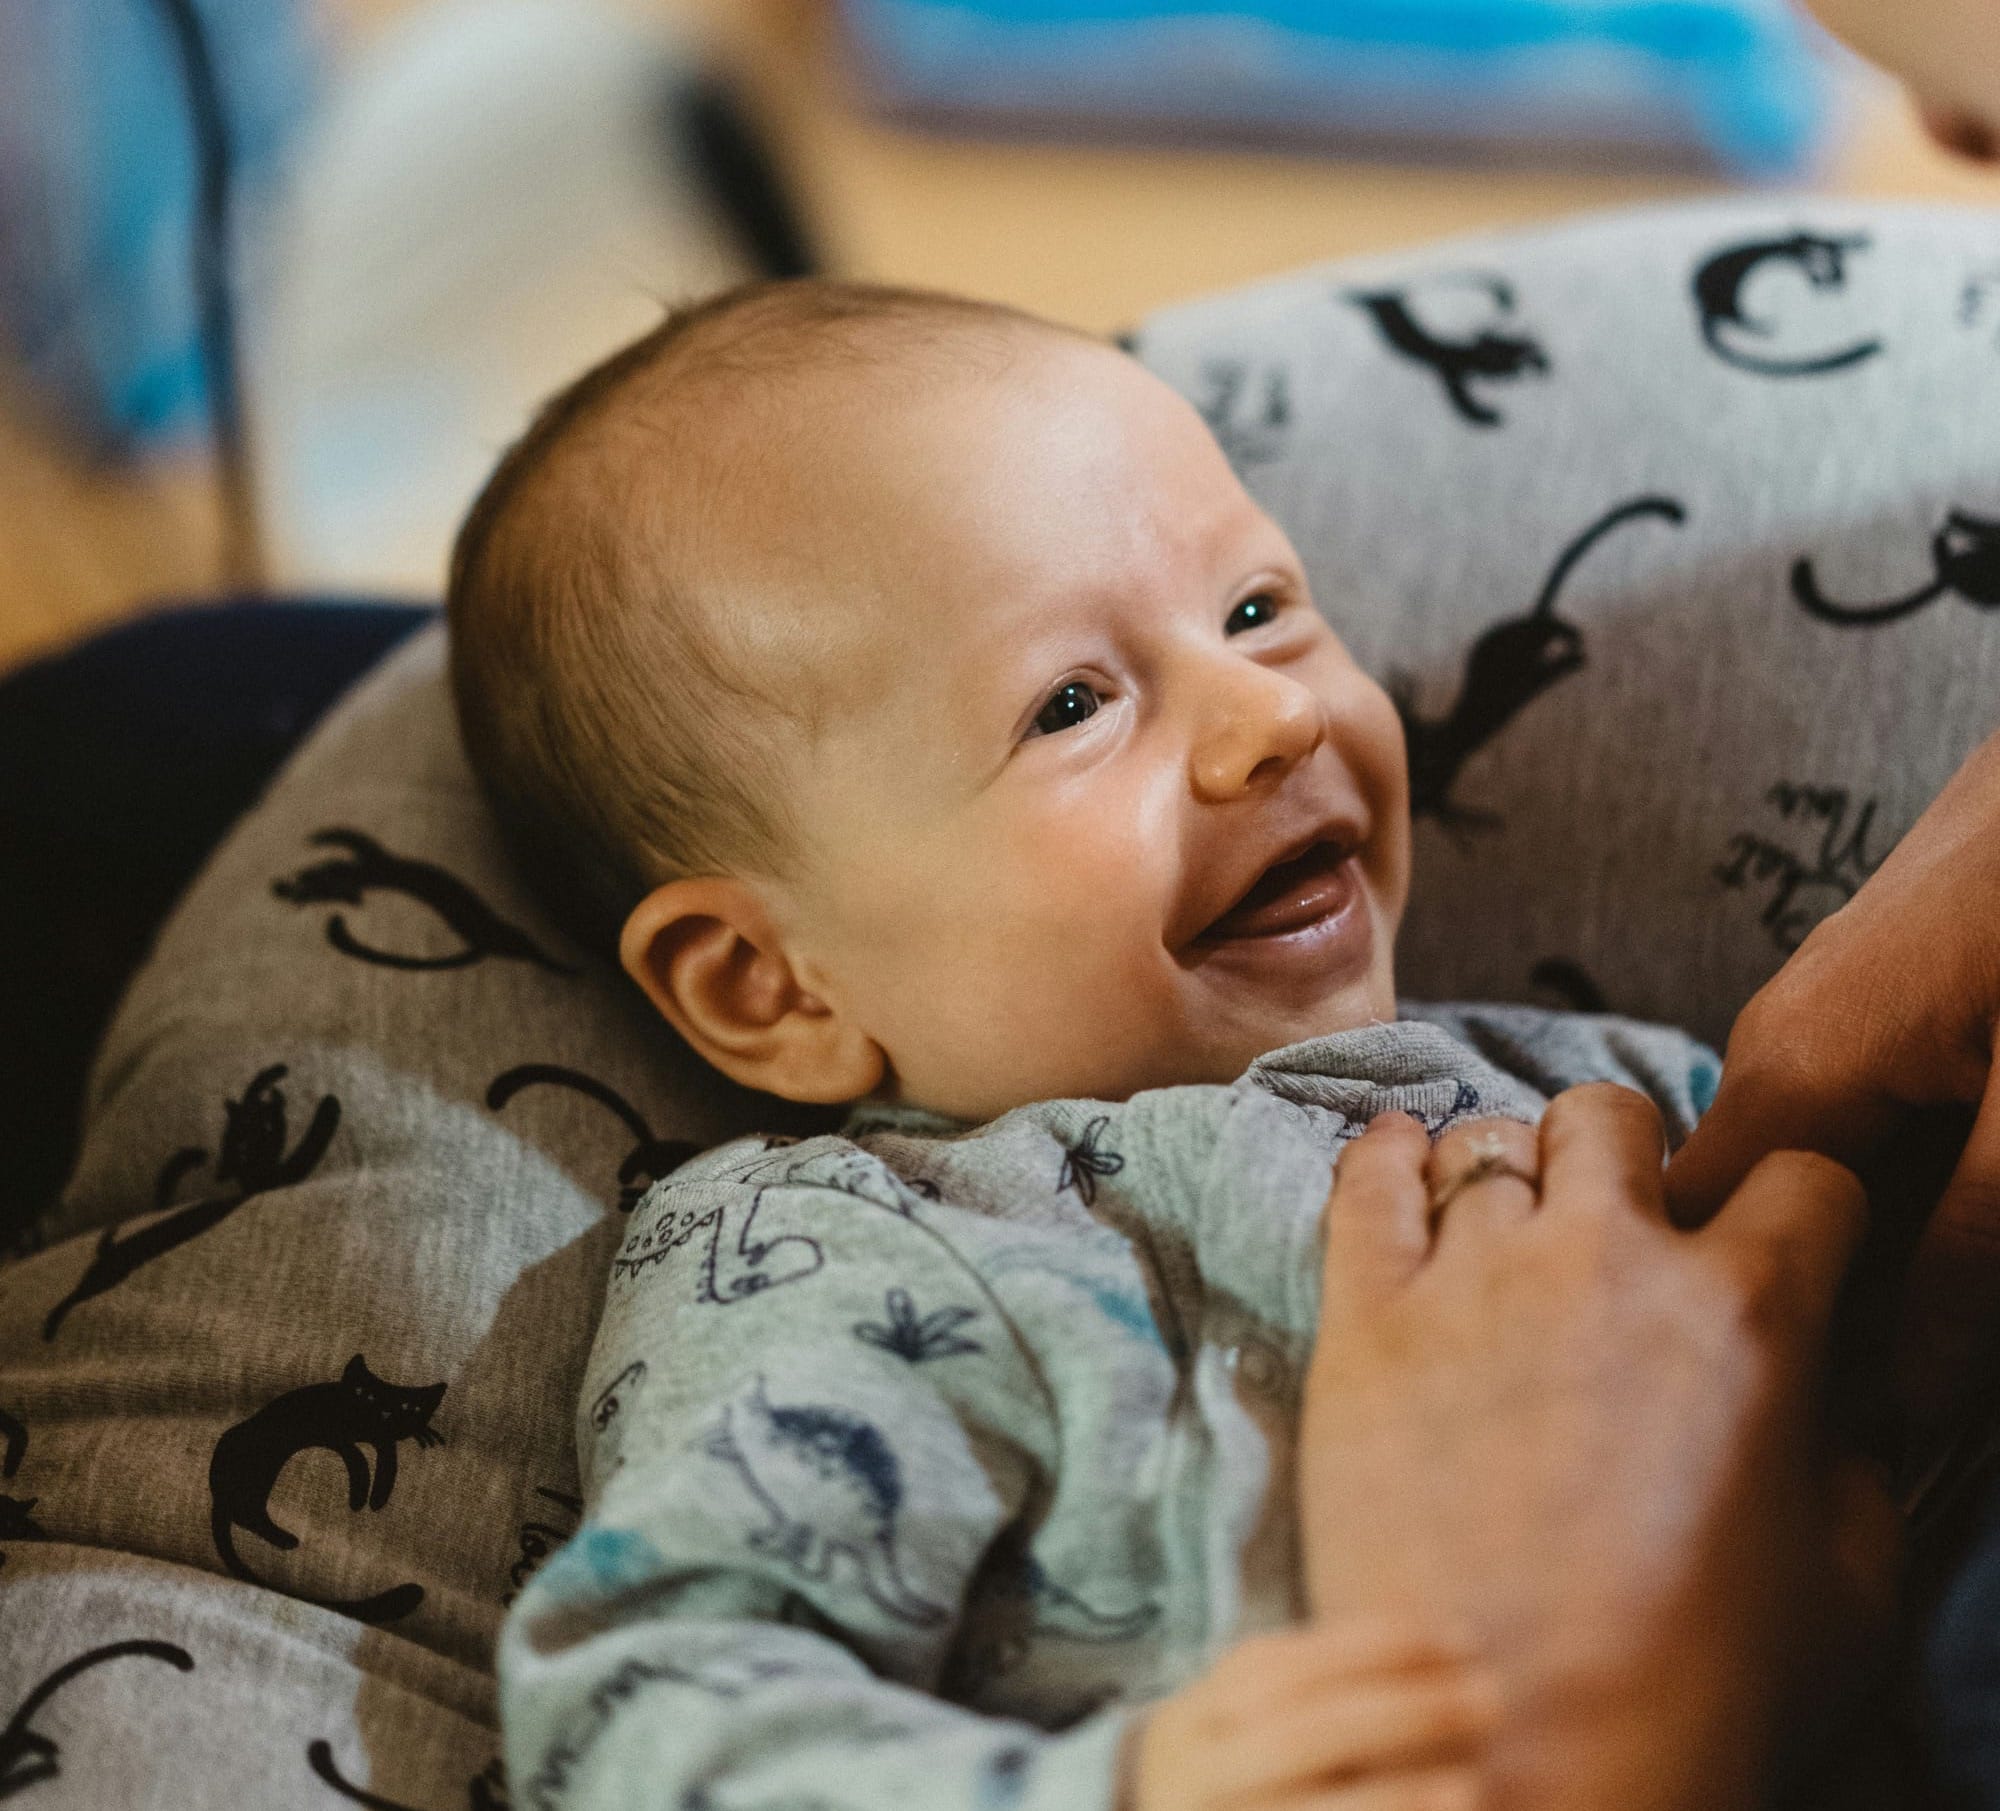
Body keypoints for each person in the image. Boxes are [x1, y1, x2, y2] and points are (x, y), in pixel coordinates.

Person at [450, 280, 1880, 1811]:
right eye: (1070, 704)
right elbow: (653, 1712)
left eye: (1258, 611)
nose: (1265, 714)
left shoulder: (1606, 1094)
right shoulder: (852, 1256)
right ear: (771, 989)